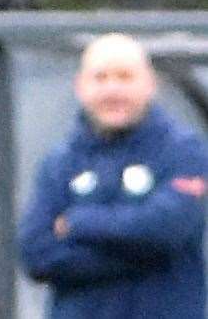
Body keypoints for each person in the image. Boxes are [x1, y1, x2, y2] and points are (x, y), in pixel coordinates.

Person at [17, 33, 208, 318]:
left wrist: (78, 222)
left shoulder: (184, 151)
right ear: (81, 87)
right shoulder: (60, 162)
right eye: (101, 78)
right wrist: (142, 253)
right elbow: (36, 253)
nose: (112, 89)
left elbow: (167, 229)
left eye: (125, 77)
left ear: (150, 85)